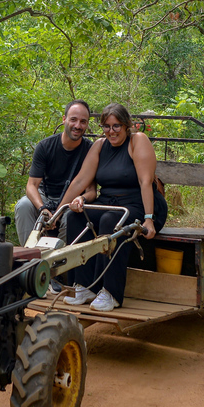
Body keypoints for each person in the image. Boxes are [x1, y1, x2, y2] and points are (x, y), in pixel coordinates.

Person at [55, 103, 168, 312]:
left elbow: (145, 182)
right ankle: (85, 286)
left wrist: (149, 218)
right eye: (106, 126)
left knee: (109, 220)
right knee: (75, 218)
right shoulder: (99, 145)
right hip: (109, 203)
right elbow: (80, 182)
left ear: (126, 125)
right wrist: (58, 213)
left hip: (140, 204)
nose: (111, 131)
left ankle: (111, 292)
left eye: (116, 126)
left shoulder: (137, 141)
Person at [14, 99, 97, 248]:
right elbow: (32, 185)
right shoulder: (45, 146)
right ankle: (29, 257)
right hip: (46, 197)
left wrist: (81, 198)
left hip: (71, 202)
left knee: (71, 216)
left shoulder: (90, 150)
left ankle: (59, 261)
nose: (78, 126)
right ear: (64, 119)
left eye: (83, 122)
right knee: (23, 205)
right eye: (73, 120)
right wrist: (42, 208)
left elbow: (92, 191)